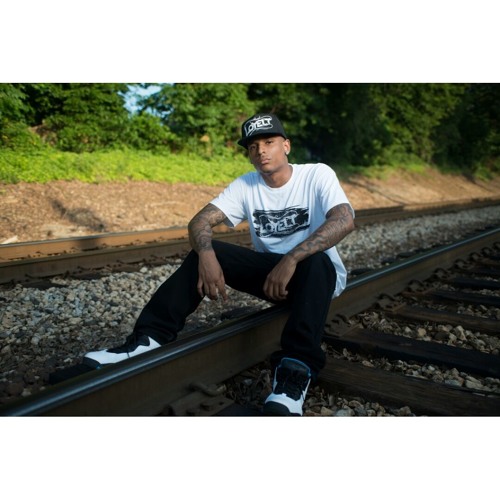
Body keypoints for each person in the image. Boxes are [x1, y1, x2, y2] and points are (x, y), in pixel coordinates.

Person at [84, 113, 355, 416]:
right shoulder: (246, 185)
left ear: (286, 146)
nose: (261, 151)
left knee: (317, 261)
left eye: (269, 142)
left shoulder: (316, 174)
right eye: (253, 147)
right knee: (204, 252)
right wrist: (207, 255)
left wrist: (292, 258)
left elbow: (344, 219)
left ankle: (294, 375)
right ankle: (147, 340)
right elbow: (199, 221)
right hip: (273, 280)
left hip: (317, 279)